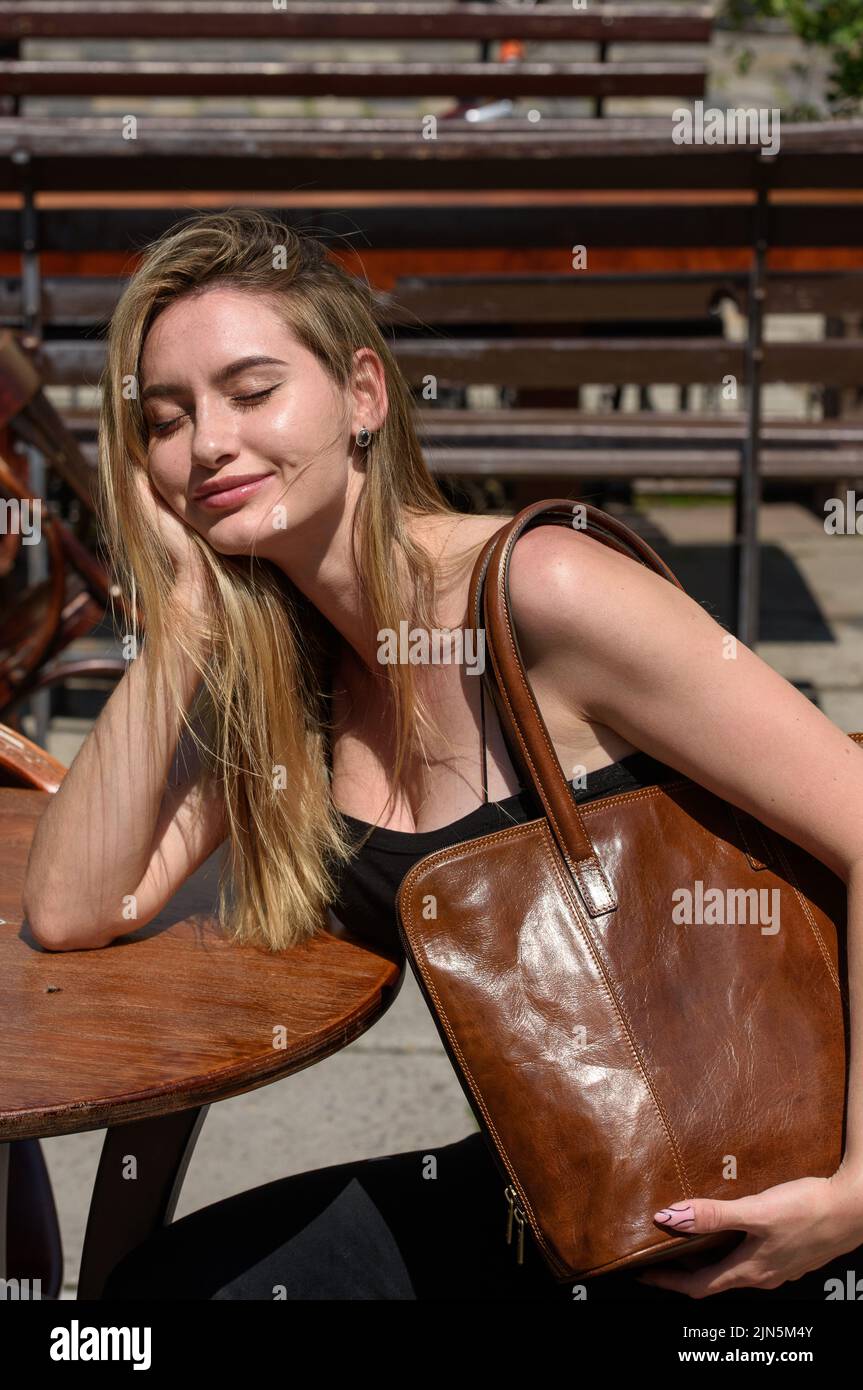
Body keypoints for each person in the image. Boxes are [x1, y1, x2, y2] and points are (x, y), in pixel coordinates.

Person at [22, 209, 863, 1301]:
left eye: (251, 390)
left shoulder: (537, 589)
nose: (209, 444)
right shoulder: (286, 682)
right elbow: (73, 906)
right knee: (153, 1301)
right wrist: (184, 613)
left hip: (774, 1199)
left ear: (364, 397)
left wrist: (852, 1192)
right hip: (568, 1191)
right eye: (169, 418)